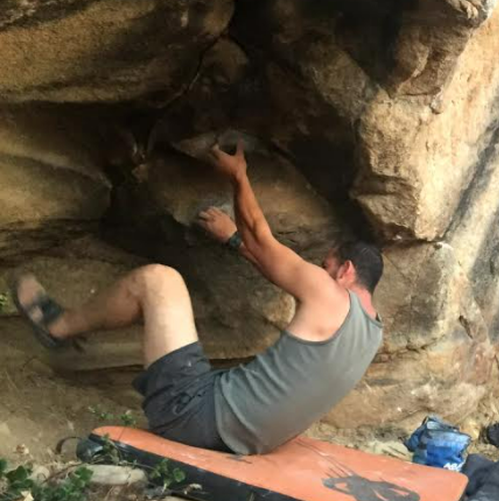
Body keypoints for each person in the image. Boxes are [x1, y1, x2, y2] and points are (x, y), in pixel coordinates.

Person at [10, 141, 384, 456]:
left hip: (195, 417)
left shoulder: (329, 293)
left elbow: (261, 239)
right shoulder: (372, 332)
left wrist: (237, 174)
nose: (320, 269)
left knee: (158, 280)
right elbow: (266, 259)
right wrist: (234, 239)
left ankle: (58, 327)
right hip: (249, 441)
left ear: (345, 271)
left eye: (325, 264)